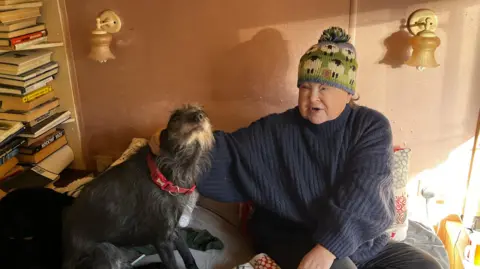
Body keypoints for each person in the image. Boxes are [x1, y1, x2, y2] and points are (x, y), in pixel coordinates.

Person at [151, 26, 442, 269]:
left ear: (349, 91)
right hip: (293, 235)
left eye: (324, 88)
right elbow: (227, 155)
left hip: (361, 244)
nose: (313, 97)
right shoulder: (276, 129)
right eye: (305, 87)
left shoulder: (371, 126)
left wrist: (329, 247)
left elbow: (365, 191)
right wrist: (175, 143)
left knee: (428, 266)